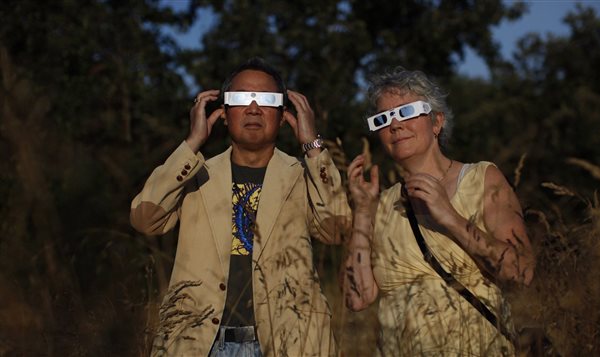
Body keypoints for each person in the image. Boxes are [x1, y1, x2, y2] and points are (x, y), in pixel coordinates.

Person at [131, 57, 350, 356]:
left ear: (283, 113)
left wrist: (313, 146)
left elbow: (337, 229)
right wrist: (191, 144)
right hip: (198, 342)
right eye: (241, 98)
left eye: (267, 99)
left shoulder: (302, 175)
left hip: (289, 341)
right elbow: (145, 219)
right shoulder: (194, 174)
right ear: (223, 112)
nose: (254, 108)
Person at [342, 67, 535, 356]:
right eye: (383, 119)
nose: (395, 125)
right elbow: (356, 299)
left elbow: (521, 272)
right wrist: (362, 214)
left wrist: (451, 218)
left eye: (407, 112)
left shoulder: (482, 178)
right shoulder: (380, 205)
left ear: (437, 122)